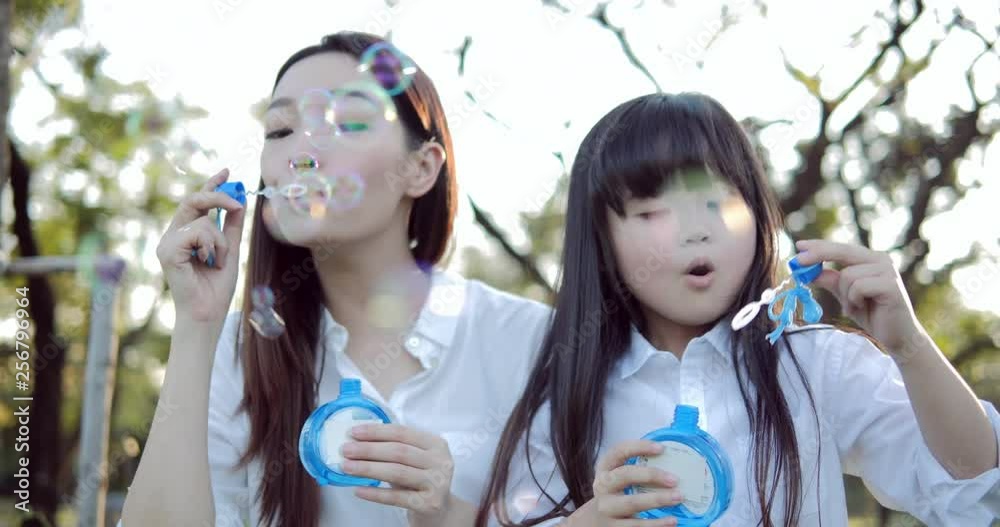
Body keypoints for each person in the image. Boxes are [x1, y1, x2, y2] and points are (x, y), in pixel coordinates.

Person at [477, 92, 1000, 526]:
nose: (696, 230)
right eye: (654, 211)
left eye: (720, 202)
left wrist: (909, 346)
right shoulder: (564, 394)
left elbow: (973, 488)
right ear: (601, 239)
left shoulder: (818, 364)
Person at [121, 32, 550, 527]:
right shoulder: (234, 352)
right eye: (281, 130)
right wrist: (197, 324)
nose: (301, 153)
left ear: (421, 167)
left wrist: (448, 515)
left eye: (347, 124)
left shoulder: (529, 340)